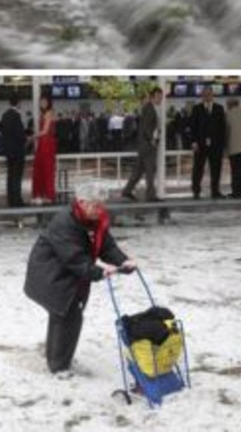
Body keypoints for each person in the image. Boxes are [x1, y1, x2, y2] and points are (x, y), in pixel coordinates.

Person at [24, 188, 137, 376]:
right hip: (50, 274)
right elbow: (74, 258)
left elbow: (106, 246)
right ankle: (59, 366)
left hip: (66, 274)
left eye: (101, 206)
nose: (98, 210)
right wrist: (99, 272)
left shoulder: (95, 221)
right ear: (81, 202)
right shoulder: (64, 222)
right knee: (68, 315)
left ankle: (56, 358)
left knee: (62, 314)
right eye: (94, 206)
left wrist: (122, 261)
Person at [121, 88, 171, 223]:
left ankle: (127, 191)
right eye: (158, 96)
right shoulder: (149, 108)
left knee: (139, 170)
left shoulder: (153, 108)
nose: (160, 98)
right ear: (152, 96)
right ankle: (150, 195)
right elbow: (145, 128)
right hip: (147, 144)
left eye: (161, 96)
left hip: (146, 144)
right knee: (150, 169)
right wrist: (152, 140)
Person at [189, 86, 226, 199]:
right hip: (200, 145)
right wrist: (194, 141)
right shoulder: (197, 108)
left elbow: (222, 128)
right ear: (202, 96)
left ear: (212, 95)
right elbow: (193, 126)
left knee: (216, 169)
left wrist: (222, 144)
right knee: (198, 169)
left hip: (215, 145)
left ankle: (215, 191)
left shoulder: (219, 108)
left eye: (209, 94)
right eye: (204, 94)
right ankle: (196, 191)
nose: (206, 96)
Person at [0, 97, 27, 208]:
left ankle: (11, 200)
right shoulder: (16, 116)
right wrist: (25, 138)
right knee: (17, 177)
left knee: (10, 176)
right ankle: (17, 201)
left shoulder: (5, 115)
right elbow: (19, 134)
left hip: (8, 151)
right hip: (17, 151)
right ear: (19, 103)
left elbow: (1, 130)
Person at [31, 96, 58, 205]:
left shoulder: (48, 113)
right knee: (42, 168)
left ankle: (47, 195)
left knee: (45, 169)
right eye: (41, 102)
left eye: (44, 101)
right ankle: (45, 195)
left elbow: (45, 131)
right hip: (45, 143)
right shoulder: (49, 113)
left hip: (46, 143)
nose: (42, 103)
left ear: (49, 102)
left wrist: (32, 136)